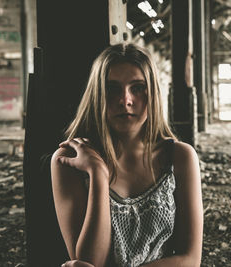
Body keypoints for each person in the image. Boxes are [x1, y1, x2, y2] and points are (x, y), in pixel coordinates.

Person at [51, 43, 203, 267]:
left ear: (152, 93)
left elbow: (190, 260)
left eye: (138, 87)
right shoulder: (70, 160)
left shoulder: (180, 157)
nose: (125, 100)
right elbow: (90, 260)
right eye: (112, 89)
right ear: (97, 95)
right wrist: (98, 175)